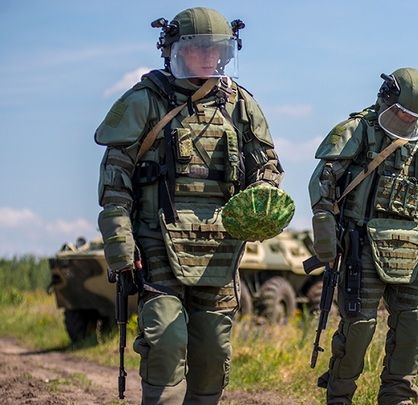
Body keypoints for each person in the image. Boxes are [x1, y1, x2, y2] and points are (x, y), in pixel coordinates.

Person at [95, 7, 284, 404]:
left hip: (220, 245)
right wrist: (119, 245)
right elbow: (115, 179)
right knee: (165, 338)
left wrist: (263, 194)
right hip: (155, 241)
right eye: (198, 48)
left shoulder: (240, 104)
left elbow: (267, 164)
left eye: (217, 50)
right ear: (174, 51)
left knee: (213, 351)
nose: (209, 57)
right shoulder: (145, 100)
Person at [308, 67, 418, 405]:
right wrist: (325, 230)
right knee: (359, 327)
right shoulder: (358, 130)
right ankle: (340, 397)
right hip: (361, 244)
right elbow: (323, 182)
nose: (408, 120)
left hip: (407, 248)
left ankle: (398, 396)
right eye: (403, 112)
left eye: (416, 116)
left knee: (411, 325)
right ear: (387, 100)